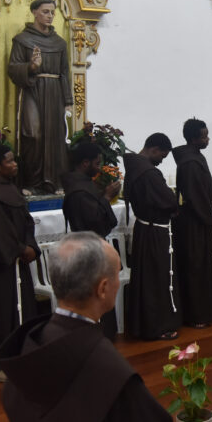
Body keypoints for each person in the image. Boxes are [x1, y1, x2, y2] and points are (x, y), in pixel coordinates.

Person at [0, 232, 173, 422]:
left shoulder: (30, 346)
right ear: (102, 289)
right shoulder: (110, 373)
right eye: (116, 273)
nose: (118, 279)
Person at [0, 144, 40, 380]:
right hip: (2, 264)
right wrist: (20, 249)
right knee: (2, 310)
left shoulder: (11, 189)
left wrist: (31, 245)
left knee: (23, 307)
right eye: (10, 161)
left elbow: (27, 222)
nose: (15, 164)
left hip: (20, 261)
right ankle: (0, 361)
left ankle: (22, 354)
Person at [7, 0, 72, 194]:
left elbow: (64, 73)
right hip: (33, 91)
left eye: (52, 12)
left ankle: (55, 182)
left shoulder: (59, 43)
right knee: (33, 135)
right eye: (45, 11)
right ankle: (31, 183)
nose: (50, 16)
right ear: (34, 12)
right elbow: (13, 68)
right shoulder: (22, 40)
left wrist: (67, 101)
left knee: (55, 136)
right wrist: (32, 66)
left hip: (54, 93)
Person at [123, 133, 181, 340]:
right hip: (155, 232)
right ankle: (158, 326)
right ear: (154, 149)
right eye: (162, 156)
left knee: (146, 278)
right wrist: (173, 202)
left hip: (143, 228)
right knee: (156, 279)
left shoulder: (134, 167)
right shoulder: (148, 173)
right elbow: (168, 201)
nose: (161, 160)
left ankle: (142, 324)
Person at [61, 141, 121, 339]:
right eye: (96, 163)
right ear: (85, 163)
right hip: (89, 251)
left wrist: (104, 197)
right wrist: (106, 197)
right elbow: (94, 222)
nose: (99, 167)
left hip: (93, 247)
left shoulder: (84, 184)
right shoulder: (79, 190)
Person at [171, 118, 212, 328]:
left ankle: (207, 311)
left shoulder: (195, 157)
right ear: (193, 139)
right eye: (204, 136)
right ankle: (197, 315)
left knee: (204, 265)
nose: (208, 139)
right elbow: (195, 195)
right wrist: (211, 217)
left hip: (200, 221)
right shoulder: (190, 162)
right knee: (196, 267)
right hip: (193, 224)